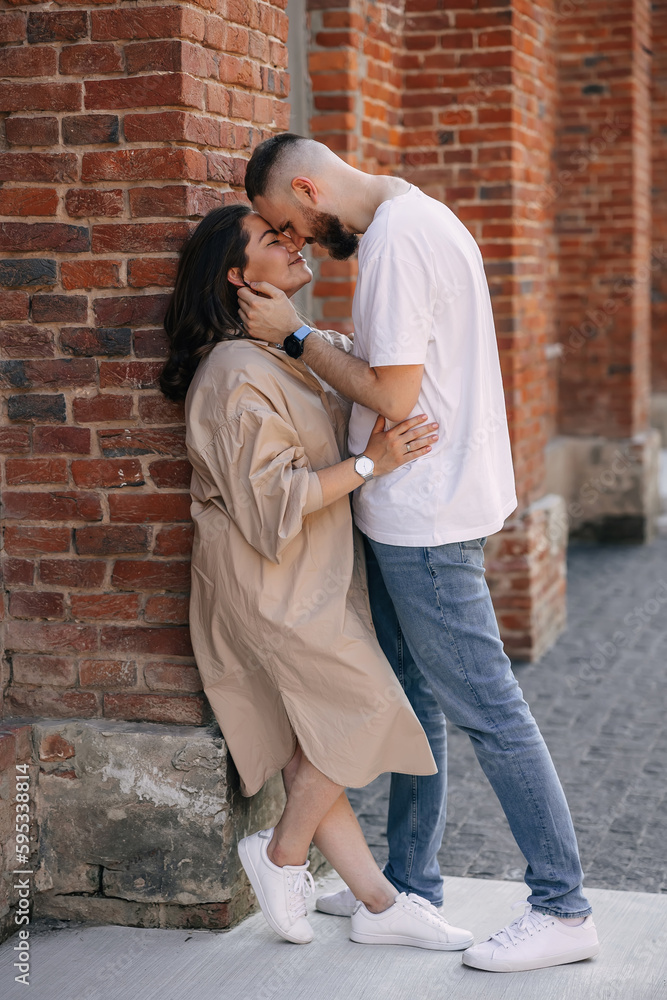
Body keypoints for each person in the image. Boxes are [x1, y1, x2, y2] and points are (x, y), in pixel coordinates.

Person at [236, 133, 600, 973]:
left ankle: (563, 907)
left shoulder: (397, 239)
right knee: (414, 700)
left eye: (285, 221)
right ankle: (410, 884)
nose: (292, 239)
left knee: (489, 710)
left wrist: (295, 336)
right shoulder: (416, 215)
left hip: (425, 519)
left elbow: (396, 395)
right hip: (419, 506)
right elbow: (408, 368)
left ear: (306, 188)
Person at [159, 203, 476, 952]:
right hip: (270, 584)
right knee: (363, 709)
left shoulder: (281, 350)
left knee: (316, 742)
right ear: (238, 278)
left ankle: (379, 904)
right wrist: (373, 464)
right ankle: (281, 856)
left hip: (309, 576)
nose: (295, 243)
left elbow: (371, 368)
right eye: (274, 239)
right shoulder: (234, 373)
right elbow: (273, 501)